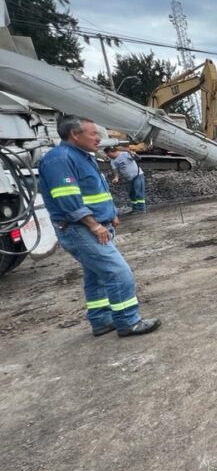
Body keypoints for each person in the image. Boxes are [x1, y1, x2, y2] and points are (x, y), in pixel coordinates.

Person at [38, 115, 161, 338]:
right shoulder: (60, 159)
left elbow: (95, 191)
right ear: (75, 134)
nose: (98, 138)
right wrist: (94, 225)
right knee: (118, 272)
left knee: (96, 276)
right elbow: (68, 199)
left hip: (92, 226)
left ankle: (101, 319)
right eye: (93, 133)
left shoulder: (82, 156)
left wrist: (110, 213)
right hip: (80, 229)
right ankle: (128, 321)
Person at [104, 147, 146, 213]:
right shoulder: (113, 161)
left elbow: (138, 158)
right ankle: (135, 209)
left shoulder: (125, 154)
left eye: (107, 154)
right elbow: (115, 171)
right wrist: (116, 177)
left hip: (137, 175)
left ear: (111, 152)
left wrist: (134, 154)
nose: (107, 156)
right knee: (132, 193)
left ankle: (141, 209)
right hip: (129, 178)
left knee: (138, 192)